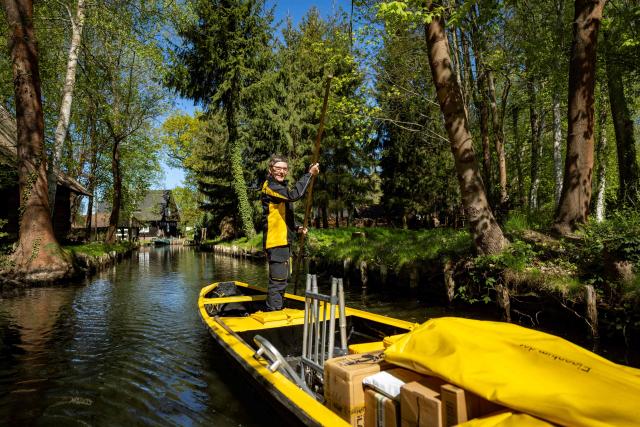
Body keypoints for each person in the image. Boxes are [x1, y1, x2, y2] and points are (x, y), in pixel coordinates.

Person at [261, 154, 320, 311]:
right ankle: (273, 314)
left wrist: (296, 228)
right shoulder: (270, 187)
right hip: (276, 242)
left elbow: (282, 215)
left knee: (283, 280)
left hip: (284, 241)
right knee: (277, 282)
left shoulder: (279, 188)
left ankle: (278, 309)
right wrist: (309, 175)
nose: (281, 171)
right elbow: (294, 196)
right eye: (278, 168)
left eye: (284, 169)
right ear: (270, 170)